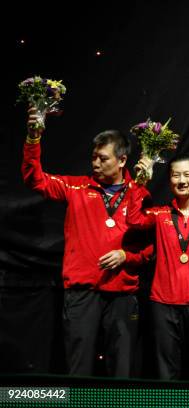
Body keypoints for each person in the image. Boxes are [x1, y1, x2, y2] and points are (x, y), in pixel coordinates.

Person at [21, 107, 153, 377]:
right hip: (82, 292)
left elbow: (150, 249)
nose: (95, 163)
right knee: (79, 367)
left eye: (103, 159)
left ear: (122, 160)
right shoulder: (76, 188)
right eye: (93, 157)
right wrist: (33, 138)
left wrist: (126, 256)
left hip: (122, 294)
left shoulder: (139, 193)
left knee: (122, 370)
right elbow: (35, 179)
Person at [126, 154, 189, 381]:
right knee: (165, 370)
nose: (181, 180)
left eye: (187, 175)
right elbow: (133, 220)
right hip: (163, 302)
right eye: (175, 175)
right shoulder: (161, 215)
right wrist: (139, 183)